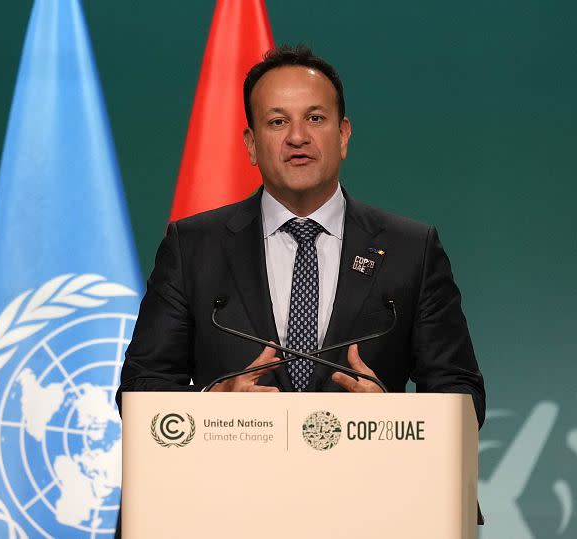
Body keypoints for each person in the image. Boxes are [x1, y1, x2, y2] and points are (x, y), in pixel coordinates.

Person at [116, 45, 485, 426]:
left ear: (343, 135)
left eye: (315, 118)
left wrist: (392, 417)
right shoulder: (192, 247)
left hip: (367, 480)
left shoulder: (411, 249)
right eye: (277, 122)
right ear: (251, 144)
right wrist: (212, 402)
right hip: (235, 481)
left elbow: (463, 394)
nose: (297, 137)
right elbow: (139, 388)